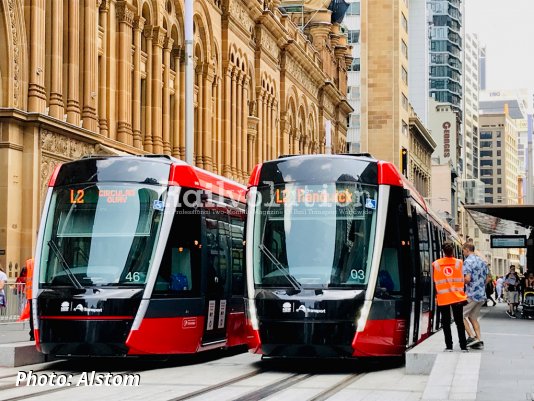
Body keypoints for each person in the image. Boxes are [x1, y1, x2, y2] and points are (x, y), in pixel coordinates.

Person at [432, 241, 468, 352]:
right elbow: (464, 279)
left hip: (443, 298)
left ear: (443, 251)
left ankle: (449, 346)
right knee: (459, 322)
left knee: (446, 323)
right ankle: (463, 346)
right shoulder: (459, 263)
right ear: (453, 251)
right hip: (457, 297)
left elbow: (434, 282)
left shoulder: (436, 264)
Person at [462, 242, 491, 348]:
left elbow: (467, 278)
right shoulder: (482, 261)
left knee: (460, 315)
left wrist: (461, 283)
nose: (463, 252)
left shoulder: (468, 261)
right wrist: (480, 285)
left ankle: (472, 337)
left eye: (463, 250)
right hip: (481, 295)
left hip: (471, 294)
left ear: (467, 249)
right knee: (473, 317)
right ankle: (479, 339)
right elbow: (489, 278)